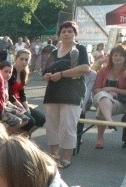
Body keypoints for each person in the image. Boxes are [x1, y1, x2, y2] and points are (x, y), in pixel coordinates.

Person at [43, 20, 89, 169]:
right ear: (59, 35)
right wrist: (47, 75)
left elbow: (84, 68)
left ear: (75, 34)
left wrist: (61, 74)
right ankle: (54, 156)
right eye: (64, 31)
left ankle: (66, 158)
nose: (67, 34)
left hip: (72, 93)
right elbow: (45, 71)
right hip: (53, 93)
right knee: (52, 126)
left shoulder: (80, 49)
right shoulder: (55, 52)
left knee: (68, 126)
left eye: (70, 31)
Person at [92, 45, 126, 149]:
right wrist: (106, 91)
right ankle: (109, 121)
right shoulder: (103, 71)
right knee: (103, 97)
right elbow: (96, 89)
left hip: (121, 102)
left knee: (102, 107)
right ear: (111, 57)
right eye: (115, 55)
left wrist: (114, 90)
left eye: (121, 55)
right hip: (101, 98)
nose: (118, 57)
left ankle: (100, 137)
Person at [8, 49, 46, 133]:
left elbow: (22, 93)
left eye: (26, 60)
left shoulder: (23, 72)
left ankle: (23, 136)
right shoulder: (10, 72)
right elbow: (9, 95)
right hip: (10, 103)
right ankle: (14, 137)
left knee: (41, 118)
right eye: (21, 59)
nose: (24, 62)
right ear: (16, 59)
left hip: (19, 102)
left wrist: (27, 107)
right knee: (30, 121)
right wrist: (22, 108)